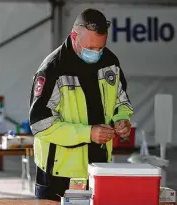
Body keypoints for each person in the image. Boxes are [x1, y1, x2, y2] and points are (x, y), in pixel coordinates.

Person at [28, 9, 133, 201]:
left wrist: (122, 119)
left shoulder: (110, 62)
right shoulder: (53, 69)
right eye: (90, 48)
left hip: (99, 168)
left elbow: (121, 100)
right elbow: (40, 124)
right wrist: (89, 133)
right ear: (74, 36)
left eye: (100, 48)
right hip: (58, 174)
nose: (96, 53)